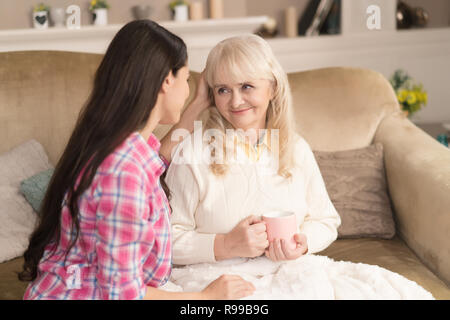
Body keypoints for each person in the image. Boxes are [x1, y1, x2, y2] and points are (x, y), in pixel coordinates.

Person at [18, 20, 254, 300]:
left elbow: (156, 162)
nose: (188, 88)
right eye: (186, 78)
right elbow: (123, 294)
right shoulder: (121, 173)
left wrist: (199, 104)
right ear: (168, 81)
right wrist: (206, 297)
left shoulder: (121, 147)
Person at [165, 34, 341, 266]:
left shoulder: (296, 148)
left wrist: (303, 242)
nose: (236, 102)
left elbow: (325, 220)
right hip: (219, 282)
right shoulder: (192, 152)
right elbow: (164, 241)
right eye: (223, 90)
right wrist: (224, 245)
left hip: (290, 276)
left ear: (273, 88)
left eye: (246, 86)